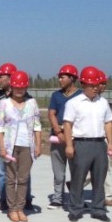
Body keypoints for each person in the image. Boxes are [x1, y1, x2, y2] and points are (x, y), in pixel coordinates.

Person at [63, 66, 112, 222]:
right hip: (81, 144)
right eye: (91, 85)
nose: (95, 88)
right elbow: (67, 124)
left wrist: (110, 143)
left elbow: (108, 123)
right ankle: (76, 209)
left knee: (99, 178)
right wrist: (69, 145)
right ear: (83, 84)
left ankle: (98, 209)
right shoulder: (74, 103)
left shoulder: (103, 103)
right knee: (78, 178)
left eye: (97, 85)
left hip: (99, 144)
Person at [0, 71, 42, 222]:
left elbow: (37, 126)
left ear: (26, 87)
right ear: (12, 87)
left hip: (27, 145)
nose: (19, 90)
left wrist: (38, 145)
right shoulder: (4, 104)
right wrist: (2, 147)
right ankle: (12, 209)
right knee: (10, 179)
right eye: (16, 87)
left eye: (22, 87)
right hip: (10, 147)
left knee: (23, 179)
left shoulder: (32, 103)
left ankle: (20, 208)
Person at [47, 64, 81, 210]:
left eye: (63, 77)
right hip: (58, 138)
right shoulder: (56, 96)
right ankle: (57, 198)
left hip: (75, 138)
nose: (60, 80)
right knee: (58, 171)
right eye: (59, 77)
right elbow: (51, 113)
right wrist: (58, 132)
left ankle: (75, 199)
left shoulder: (81, 96)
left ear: (72, 78)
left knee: (77, 171)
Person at [95, 71, 112, 208]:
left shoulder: (103, 102)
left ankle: (107, 196)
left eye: (105, 84)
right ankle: (77, 185)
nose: (103, 86)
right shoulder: (83, 101)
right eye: (101, 83)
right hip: (89, 140)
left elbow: (107, 122)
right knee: (89, 168)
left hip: (102, 139)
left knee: (106, 167)